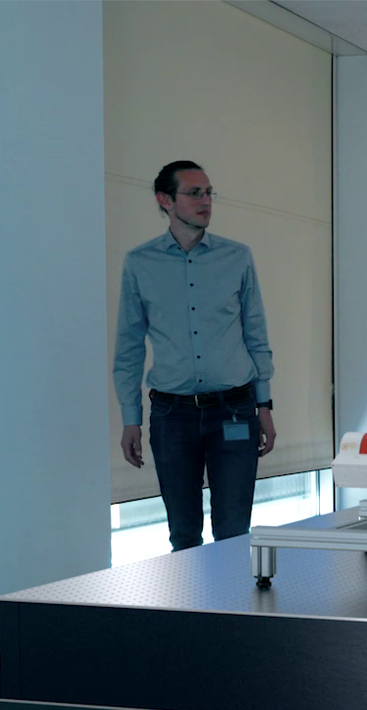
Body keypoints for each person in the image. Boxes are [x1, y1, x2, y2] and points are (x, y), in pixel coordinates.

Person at [113, 160, 277, 551]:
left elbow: (256, 334)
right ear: (165, 200)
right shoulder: (140, 263)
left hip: (234, 411)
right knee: (183, 535)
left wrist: (264, 405)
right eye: (194, 193)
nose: (206, 201)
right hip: (173, 417)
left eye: (208, 193)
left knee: (234, 532)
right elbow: (129, 346)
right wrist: (130, 419)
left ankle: (236, 610)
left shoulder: (236, 257)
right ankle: (194, 611)